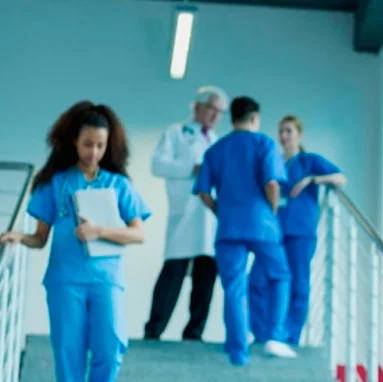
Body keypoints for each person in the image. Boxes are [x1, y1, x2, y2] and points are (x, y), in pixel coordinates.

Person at [0, 101, 151, 382]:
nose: (93, 152)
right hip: (65, 281)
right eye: (87, 144)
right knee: (68, 357)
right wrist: (19, 238)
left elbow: (138, 234)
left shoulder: (119, 184)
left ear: (108, 145)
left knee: (111, 349)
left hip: (106, 279)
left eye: (100, 145)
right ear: (73, 142)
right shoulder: (55, 183)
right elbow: (40, 238)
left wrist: (99, 231)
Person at [193, 96, 298, 365]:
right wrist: (272, 210)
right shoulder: (265, 144)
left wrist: (220, 210)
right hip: (262, 224)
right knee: (280, 276)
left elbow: (203, 192)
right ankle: (275, 337)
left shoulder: (216, 150)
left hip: (229, 227)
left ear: (232, 119)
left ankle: (239, 351)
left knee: (234, 286)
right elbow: (272, 184)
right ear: (254, 118)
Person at [247, 115, 346, 346]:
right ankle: (263, 334)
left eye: (289, 131)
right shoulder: (273, 160)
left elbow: (341, 178)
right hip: (273, 231)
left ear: (299, 134)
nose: (284, 136)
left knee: (298, 284)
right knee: (257, 280)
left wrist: (312, 179)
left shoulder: (309, 161)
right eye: (281, 131)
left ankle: (289, 337)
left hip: (301, 232)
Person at [144, 86, 227, 341]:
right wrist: (192, 168)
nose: (215, 116)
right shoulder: (176, 132)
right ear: (198, 107)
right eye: (212, 108)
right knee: (173, 273)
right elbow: (158, 165)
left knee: (205, 277)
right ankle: (154, 329)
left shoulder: (217, 141)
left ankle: (194, 332)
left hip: (210, 216)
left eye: (220, 112)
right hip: (185, 213)